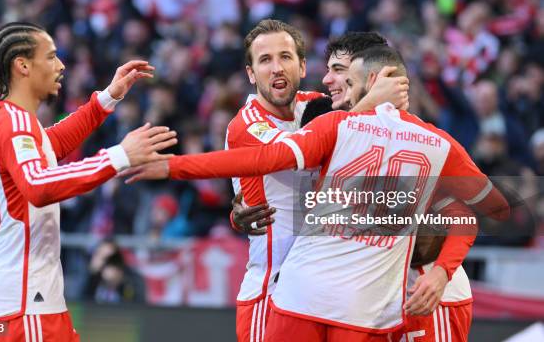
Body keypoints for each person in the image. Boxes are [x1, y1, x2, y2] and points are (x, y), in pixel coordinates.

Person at [123, 46, 508, 341]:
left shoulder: (336, 126)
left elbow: (261, 159)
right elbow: (494, 206)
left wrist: (173, 167)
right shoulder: (436, 143)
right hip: (365, 306)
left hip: (337, 296)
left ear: (377, 83)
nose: (331, 85)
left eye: (344, 76)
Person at [233, 34, 476, 342]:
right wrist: (243, 213)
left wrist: (442, 270)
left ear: (371, 76)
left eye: (339, 70)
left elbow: (467, 211)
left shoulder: (415, 138)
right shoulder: (320, 116)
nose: (327, 79)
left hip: (419, 292)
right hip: (336, 297)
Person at [189, 20, 410, 342]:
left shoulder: (321, 105)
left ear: (303, 65)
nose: (277, 68)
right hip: (273, 289)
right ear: (251, 74)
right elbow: (300, 151)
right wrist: (373, 100)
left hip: (328, 292)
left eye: (286, 57)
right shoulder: (246, 124)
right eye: (265, 60)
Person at [0, 22, 177, 341]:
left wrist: (106, 99)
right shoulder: (15, 125)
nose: (61, 65)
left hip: (16, 300)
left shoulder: (6, 119)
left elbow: (50, 146)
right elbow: (39, 186)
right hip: (25, 305)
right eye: (51, 57)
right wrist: (119, 156)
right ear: (22, 65)